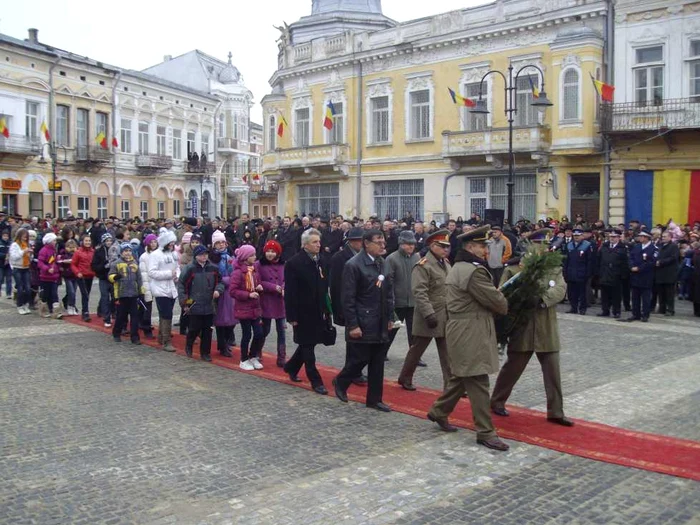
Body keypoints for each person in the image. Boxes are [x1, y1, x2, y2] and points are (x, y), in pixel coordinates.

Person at [426, 226, 509, 451]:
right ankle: (485, 432)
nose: (485, 250)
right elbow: (498, 302)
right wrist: (504, 297)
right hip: (470, 330)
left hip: (462, 328)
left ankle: (439, 411)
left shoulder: (459, 267)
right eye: (482, 246)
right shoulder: (474, 271)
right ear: (470, 247)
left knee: (462, 376)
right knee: (478, 379)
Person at [491, 228, 574, 428]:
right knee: (512, 368)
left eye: (545, 245)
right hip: (523, 327)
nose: (544, 248)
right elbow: (502, 295)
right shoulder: (513, 269)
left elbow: (560, 289)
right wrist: (519, 299)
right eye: (539, 245)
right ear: (530, 247)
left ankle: (556, 411)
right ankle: (496, 401)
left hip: (546, 328)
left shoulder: (553, 268)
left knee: (553, 372)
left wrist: (542, 299)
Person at [333, 229, 395, 412]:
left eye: (384, 242)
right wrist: (353, 324)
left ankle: (375, 399)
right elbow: (348, 298)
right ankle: (342, 381)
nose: (383, 246)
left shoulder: (383, 263)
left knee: (378, 361)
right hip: (363, 320)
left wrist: (390, 317)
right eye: (379, 242)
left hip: (381, 320)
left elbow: (389, 293)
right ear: (366, 243)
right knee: (360, 358)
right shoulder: (353, 265)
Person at [397, 229, 452, 391]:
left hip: (444, 314)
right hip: (428, 316)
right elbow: (419, 292)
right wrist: (429, 314)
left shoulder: (446, 264)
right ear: (433, 246)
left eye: (447, 247)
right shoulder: (423, 265)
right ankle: (405, 377)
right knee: (417, 350)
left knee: (448, 353)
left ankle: (451, 386)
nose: (446, 250)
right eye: (442, 246)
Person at [284, 228, 331, 394]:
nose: (319, 245)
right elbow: (290, 293)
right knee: (308, 348)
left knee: (308, 343)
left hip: (318, 311)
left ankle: (291, 367)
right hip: (302, 312)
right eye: (314, 242)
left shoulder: (322, 261)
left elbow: (325, 288)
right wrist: (292, 316)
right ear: (305, 245)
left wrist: (327, 309)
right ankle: (316, 380)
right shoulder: (294, 263)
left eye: (319, 241)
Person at [178, 244, 225, 361]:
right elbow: (182, 286)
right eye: (201, 254)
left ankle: (205, 352)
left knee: (207, 330)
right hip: (193, 301)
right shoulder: (189, 269)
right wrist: (185, 303)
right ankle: (189, 344)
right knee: (194, 328)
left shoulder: (213, 268)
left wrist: (218, 290)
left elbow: (221, 282)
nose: (204, 256)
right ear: (196, 256)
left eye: (205, 254)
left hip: (209, 303)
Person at [229, 244, 265, 371]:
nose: (255, 257)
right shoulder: (238, 273)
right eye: (252, 255)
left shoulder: (254, 271)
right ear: (245, 257)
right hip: (243, 308)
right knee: (247, 334)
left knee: (259, 333)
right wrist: (248, 294)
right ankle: (243, 359)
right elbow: (233, 291)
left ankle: (253, 355)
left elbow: (257, 283)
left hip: (255, 308)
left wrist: (259, 287)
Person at [385, 230, 420, 359]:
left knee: (414, 331)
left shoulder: (417, 257)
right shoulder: (392, 258)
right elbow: (389, 282)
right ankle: (382, 353)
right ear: (401, 244)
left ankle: (415, 356)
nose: (411, 246)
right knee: (392, 330)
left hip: (413, 301)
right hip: (398, 302)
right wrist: (391, 300)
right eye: (407, 244)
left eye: (413, 244)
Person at [257, 240, 287, 367]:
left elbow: (287, 278)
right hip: (266, 300)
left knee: (282, 330)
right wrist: (273, 287)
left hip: (280, 301)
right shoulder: (259, 264)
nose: (270, 254)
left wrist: (284, 287)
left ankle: (281, 357)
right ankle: (257, 351)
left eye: (273, 251)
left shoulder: (283, 264)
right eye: (268, 251)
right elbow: (257, 280)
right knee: (265, 329)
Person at [148, 231, 180, 351]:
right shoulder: (155, 255)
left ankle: (161, 337)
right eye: (170, 244)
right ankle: (166, 341)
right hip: (160, 288)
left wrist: (177, 275)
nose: (172, 246)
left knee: (166, 313)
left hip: (171, 287)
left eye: (173, 243)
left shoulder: (172, 254)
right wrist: (168, 274)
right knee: (167, 314)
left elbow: (177, 267)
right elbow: (152, 272)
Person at [109, 242, 144, 344]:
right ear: (121, 252)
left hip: (133, 294)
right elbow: (110, 276)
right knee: (121, 316)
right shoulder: (116, 263)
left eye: (129, 251)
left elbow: (139, 278)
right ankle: (116, 333)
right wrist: (115, 277)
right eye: (125, 251)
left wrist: (141, 291)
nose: (128, 253)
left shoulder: (135, 263)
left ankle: (135, 337)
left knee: (135, 316)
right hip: (121, 294)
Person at [210, 230, 237, 358]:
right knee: (220, 320)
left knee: (231, 319)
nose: (221, 245)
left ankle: (227, 341)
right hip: (218, 291)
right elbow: (215, 276)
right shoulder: (212, 259)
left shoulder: (230, 257)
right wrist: (226, 280)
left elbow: (235, 272)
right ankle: (222, 345)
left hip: (230, 292)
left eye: (223, 242)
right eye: (218, 243)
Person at [621, 230, 656, 323]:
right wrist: (631, 266)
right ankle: (635, 314)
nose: (640, 238)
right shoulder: (637, 247)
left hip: (646, 276)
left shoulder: (653, 248)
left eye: (642, 236)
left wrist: (639, 268)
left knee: (646, 298)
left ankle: (645, 315)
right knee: (635, 297)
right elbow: (630, 257)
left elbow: (651, 262)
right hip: (635, 275)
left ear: (647, 238)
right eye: (640, 236)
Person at [597, 229, 628, 318]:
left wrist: (623, 275)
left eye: (614, 237)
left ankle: (616, 311)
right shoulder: (605, 246)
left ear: (618, 238)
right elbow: (599, 259)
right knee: (604, 294)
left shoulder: (622, 248)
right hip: (604, 273)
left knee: (616, 295)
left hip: (616, 275)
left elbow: (625, 263)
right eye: (611, 237)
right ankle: (605, 310)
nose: (612, 238)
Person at [563, 228, 593, 315]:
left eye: (578, 235)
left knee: (582, 293)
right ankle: (573, 307)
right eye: (575, 235)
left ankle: (582, 308)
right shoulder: (569, 245)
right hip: (571, 273)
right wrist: (565, 272)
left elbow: (590, 261)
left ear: (582, 236)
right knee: (572, 293)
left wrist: (588, 273)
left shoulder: (587, 245)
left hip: (582, 273)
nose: (576, 237)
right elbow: (566, 261)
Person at [37, 232, 63, 319]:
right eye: (54, 240)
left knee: (54, 294)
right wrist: (47, 269)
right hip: (45, 277)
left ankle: (55, 311)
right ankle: (44, 309)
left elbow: (54, 262)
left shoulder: (54, 251)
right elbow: (40, 263)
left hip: (54, 276)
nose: (55, 242)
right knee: (46, 294)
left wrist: (58, 265)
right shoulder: (43, 251)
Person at [654, 230, 680, 316]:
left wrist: (661, 262)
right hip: (660, 273)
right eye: (663, 236)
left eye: (665, 236)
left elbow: (673, 258)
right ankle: (662, 309)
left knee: (669, 293)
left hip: (669, 273)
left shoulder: (673, 246)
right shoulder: (660, 246)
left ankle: (670, 310)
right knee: (661, 293)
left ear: (670, 237)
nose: (663, 238)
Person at [92, 233, 115, 327]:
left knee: (114, 297)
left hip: (113, 278)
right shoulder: (99, 251)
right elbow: (94, 265)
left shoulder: (115, 250)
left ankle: (114, 313)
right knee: (105, 297)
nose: (109, 242)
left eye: (110, 240)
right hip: (103, 278)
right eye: (107, 241)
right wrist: (103, 266)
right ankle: (107, 318)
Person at [70, 235, 95, 322]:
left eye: (89, 241)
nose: (88, 242)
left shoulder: (93, 251)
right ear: (82, 242)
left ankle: (85, 310)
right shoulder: (78, 252)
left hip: (90, 275)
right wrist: (77, 272)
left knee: (87, 293)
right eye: (86, 241)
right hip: (81, 276)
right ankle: (85, 312)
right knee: (85, 294)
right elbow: (73, 264)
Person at [138, 234, 158, 339]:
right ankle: (146, 328)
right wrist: (145, 287)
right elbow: (143, 274)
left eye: (155, 241)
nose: (154, 244)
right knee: (147, 307)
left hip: (158, 283)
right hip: (148, 283)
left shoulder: (160, 254)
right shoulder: (144, 257)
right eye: (151, 242)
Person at [9, 228, 34, 315]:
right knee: (20, 288)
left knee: (28, 288)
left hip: (26, 267)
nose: (25, 238)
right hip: (17, 268)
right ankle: (19, 305)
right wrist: (24, 252)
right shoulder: (15, 245)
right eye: (24, 237)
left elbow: (29, 258)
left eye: (26, 237)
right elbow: (14, 257)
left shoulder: (27, 245)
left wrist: (30, 254)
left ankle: (25, 304)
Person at [57, 238, 78, 316]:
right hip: (67, 275)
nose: (71, 249)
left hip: (75, 275)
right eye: (69, 247)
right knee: (71, 291)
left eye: (73, 247)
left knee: (74, 292)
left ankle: (72, 306)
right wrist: (65, 262)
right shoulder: (63, 254)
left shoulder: (77, 254)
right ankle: (69, 306)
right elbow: (59, 261)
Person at [0, 229, 12, 300]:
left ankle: (8, 293)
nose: (5, 237)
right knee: (0, 278)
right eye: (4, 236)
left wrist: (9, 256)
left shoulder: (10, 243)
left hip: (8, 264)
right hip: (1, 263)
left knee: (9, 279)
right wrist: (5, 256)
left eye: (7, 236)